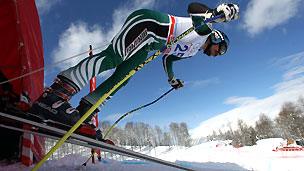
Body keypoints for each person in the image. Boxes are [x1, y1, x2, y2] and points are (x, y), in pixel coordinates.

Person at [30, 2, 239, 130]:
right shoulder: (205, 30)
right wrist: (216, 12)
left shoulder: (193, 52)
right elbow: (193, 7)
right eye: (220, 50)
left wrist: (171, 79)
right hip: (148, 25)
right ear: (217, 38)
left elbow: (168, 59)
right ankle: (55, 95)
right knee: (113, 57)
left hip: (148, 47)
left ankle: (86, 109)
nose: (217, 54)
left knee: (124, 77)